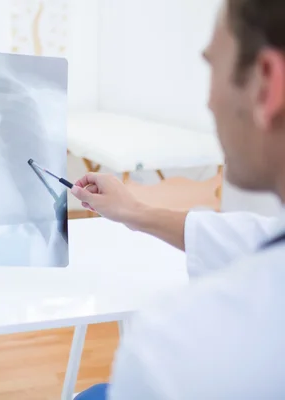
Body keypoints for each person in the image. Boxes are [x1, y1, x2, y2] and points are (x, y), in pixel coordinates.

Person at [71, 0, 285, 398]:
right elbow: (251, 239)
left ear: (267, 84)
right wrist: (134, 210)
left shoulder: (169, 354)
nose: (208, 102)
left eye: (213, 68)